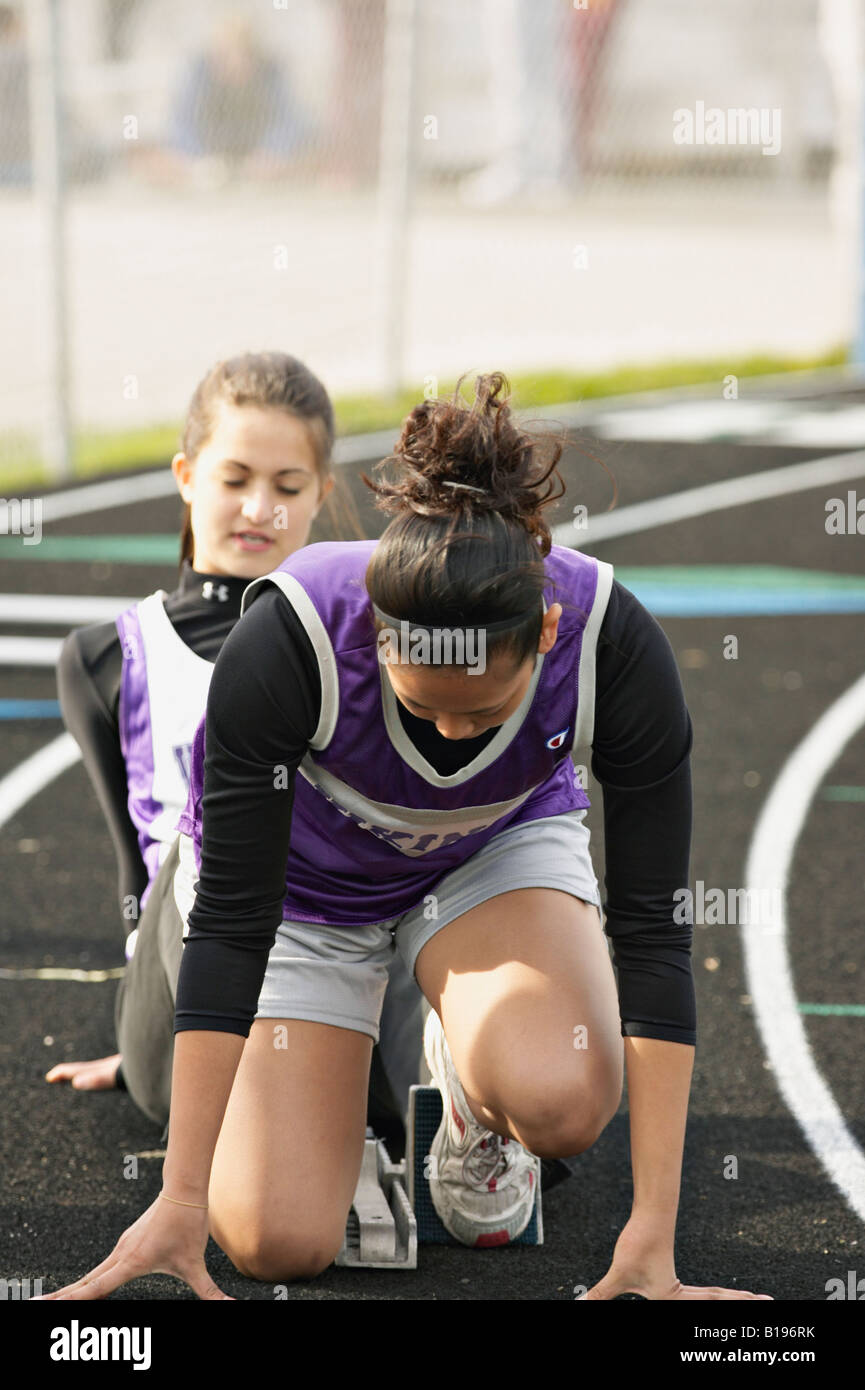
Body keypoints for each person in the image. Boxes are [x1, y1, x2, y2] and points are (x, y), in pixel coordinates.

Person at [39, 373, 773, 1300]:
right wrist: (180, 1200)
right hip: (303, 893)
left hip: (487, 857)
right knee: (275, 1243)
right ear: (378, 638)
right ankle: (330, 1112)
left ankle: (465, 1090)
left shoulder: (611, 646)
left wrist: (652, 1239)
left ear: (547, 631)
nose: (453, 734)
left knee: (562, 1100)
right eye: (424, 711)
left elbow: (653, 934)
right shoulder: (290, 639)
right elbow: (230, 919)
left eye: (486, 714)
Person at [46, 350, 422, 1147]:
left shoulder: (366, 644)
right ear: (187, 477)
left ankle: (434, 1109)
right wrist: (145, 1019)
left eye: (287, 487)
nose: (259, 508)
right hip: (194, 981)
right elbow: (136, 874)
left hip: (336, 957)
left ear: (320, 496)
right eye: (234, 478)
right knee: (212, 823)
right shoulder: (104, 658)